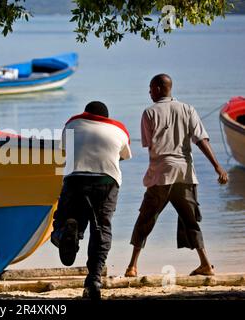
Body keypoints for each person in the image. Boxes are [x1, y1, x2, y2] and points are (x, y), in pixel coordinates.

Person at [124, 74, 229, 278]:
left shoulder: (149, 113)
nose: (149, 92)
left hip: (160, 176)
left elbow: (149, 146)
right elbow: (201, 140)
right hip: (185, 174)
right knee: (191, 221)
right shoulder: (188, 109)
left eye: (151, 88)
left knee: (146, 218)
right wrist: (217, 167)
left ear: (159, 89)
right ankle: (206, 264)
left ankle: (132, 266)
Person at [51, 101, 132, 300]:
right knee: (101, 228)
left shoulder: (72, 124)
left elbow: (65, 150)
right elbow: (123, 156)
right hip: (107, 181)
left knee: (63, 221)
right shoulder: (120, 130)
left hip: (76, 179)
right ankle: (94, 279)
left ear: (85, 113)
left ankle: (66, 234)